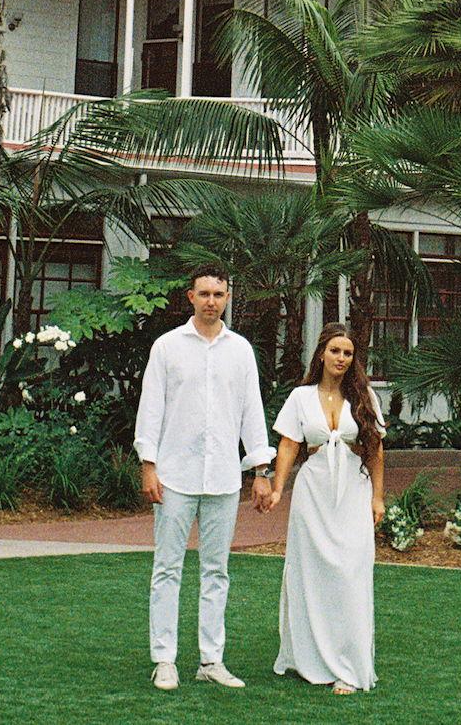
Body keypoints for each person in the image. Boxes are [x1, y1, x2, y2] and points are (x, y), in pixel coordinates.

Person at [134, 268, 274, 692]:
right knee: (167, 569)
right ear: (190, 297)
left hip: (224, 480)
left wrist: (261, 471)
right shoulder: (167, 347)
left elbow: (252, 411)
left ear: (227, 297)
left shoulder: (240, 350)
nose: (212, 301)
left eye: (219, 294)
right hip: (174, 477)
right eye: (204, 294)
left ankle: (211, 660)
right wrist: (148, 464)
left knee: (217, 571)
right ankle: (164, 660)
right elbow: (151, 407)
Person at [267, 323, 386, 695]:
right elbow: (289, 445)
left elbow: (376, 449)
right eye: (335, 350)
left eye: (348, 353)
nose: (341, 358)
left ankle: (349, 665)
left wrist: (378, 497)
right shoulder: (301, 397)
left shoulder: (364, 396)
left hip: (352, 489)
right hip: (313, 492)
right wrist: (277, 488)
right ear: (321, 354)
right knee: (311, 574)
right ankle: (310, 658)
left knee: (350, 572)